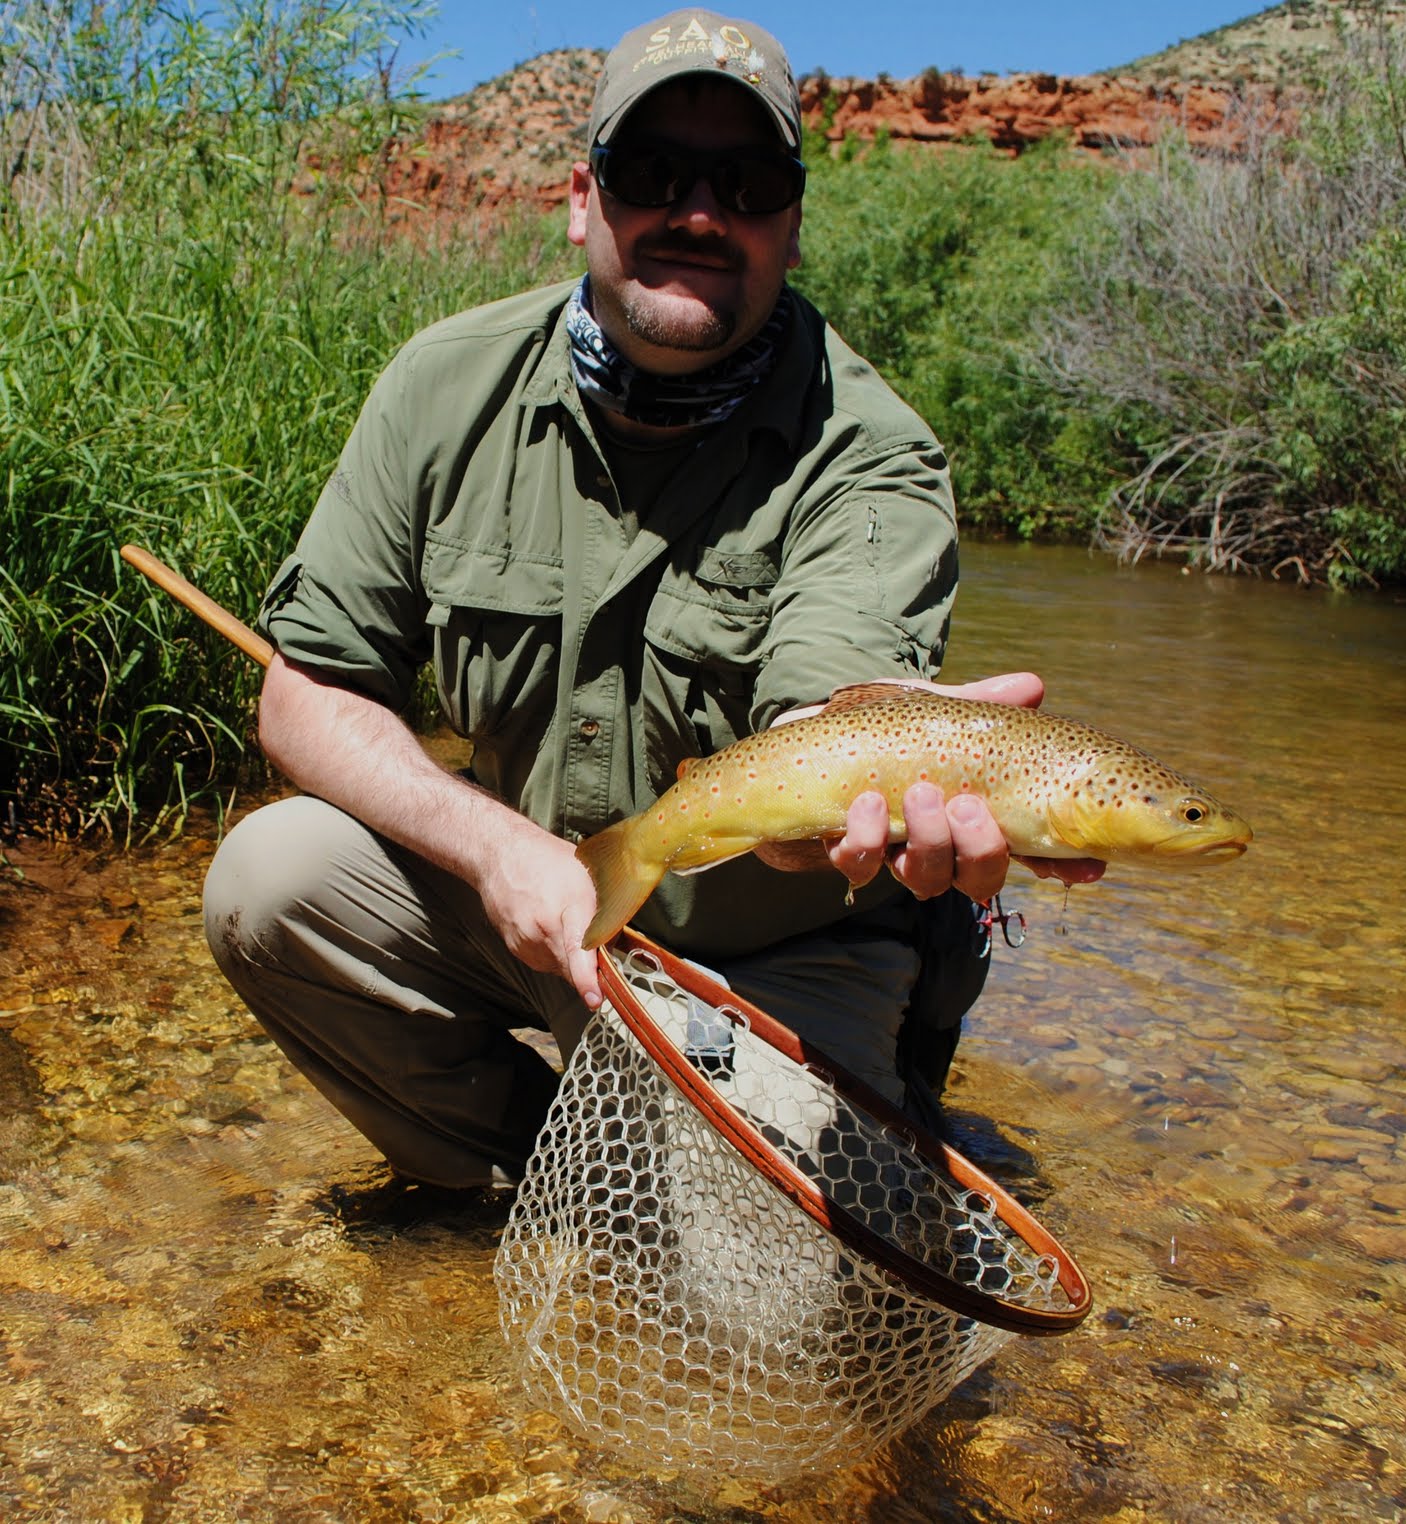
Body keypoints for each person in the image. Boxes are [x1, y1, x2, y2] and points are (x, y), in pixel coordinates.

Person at [203, 8, 1101, 1190]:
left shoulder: (873, 452)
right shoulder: (444, 385)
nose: (696, 212)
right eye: (651, 172)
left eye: (746, 180)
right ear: (584, 197)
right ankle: (540, 1183)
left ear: (790, 222)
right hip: (528, 901)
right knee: (271, 878)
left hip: (773, 954)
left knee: (772, 1337)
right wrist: (494, 847)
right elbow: (309, 695)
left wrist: (868, 775)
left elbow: (821, 714)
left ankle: (716, 1168)